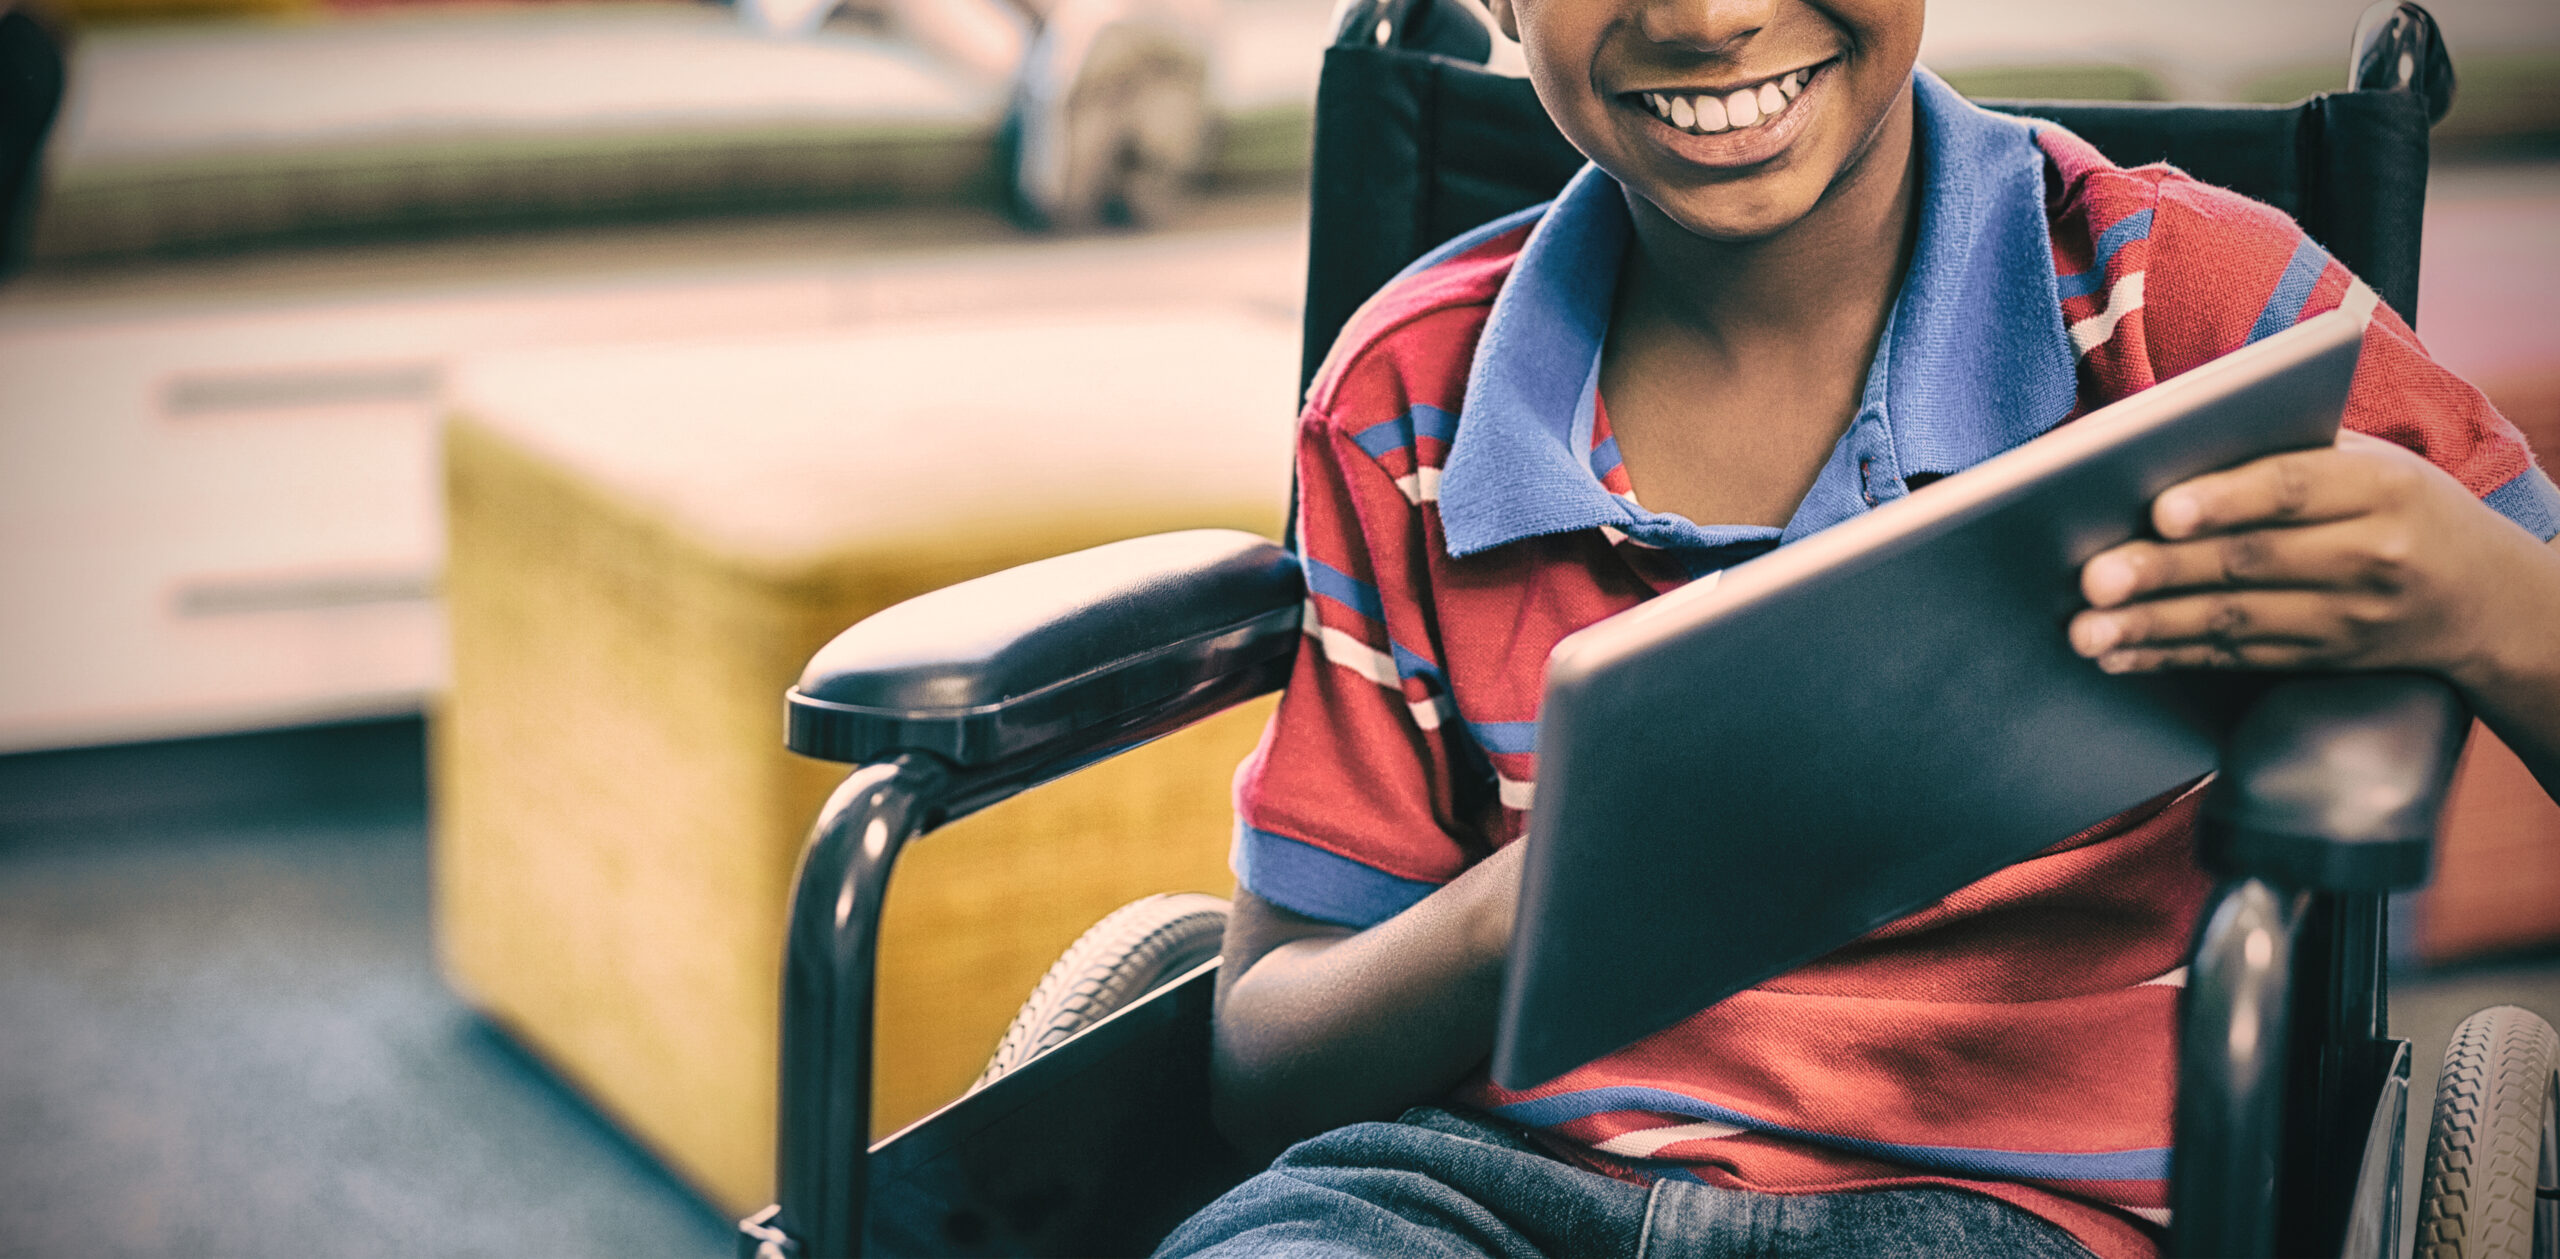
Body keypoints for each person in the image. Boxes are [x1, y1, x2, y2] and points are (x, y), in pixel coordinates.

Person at [1156, 0, 2560, 1255]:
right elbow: (1264, 1064)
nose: (1710, 16)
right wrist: (1532, 911)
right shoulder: (1410, 398)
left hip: (1997, 1209)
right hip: (1478, 1191)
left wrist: (2477, 590)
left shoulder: (2179, 308)